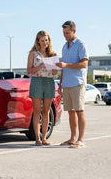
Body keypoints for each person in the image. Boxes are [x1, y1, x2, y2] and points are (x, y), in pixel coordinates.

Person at [56, 20, 89, 148]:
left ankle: (80, 140)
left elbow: (84, 64)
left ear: (74, 31)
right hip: (67, 84)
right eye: (64, 33)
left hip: (78, 83)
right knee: (70, 112)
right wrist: (60, 84)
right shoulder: (65, 46)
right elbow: (63, 67)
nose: (65, 35)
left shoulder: (81, 44)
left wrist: (67, 65)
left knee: (79, 110)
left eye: (67, 33)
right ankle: (72, 138)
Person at [27, 30, 58, 146]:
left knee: (46, 111)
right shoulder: (33, 54)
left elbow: (55, 73)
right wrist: (40, 65)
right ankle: (37, 139)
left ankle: (44, 138)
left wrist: (55, 70)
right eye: (42, 40)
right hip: (37, 81)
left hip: (49, 82)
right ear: (38, 42)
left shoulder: (53, 54)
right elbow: (29, 71)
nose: (45, 42)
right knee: (37, 111)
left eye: (46, 40)